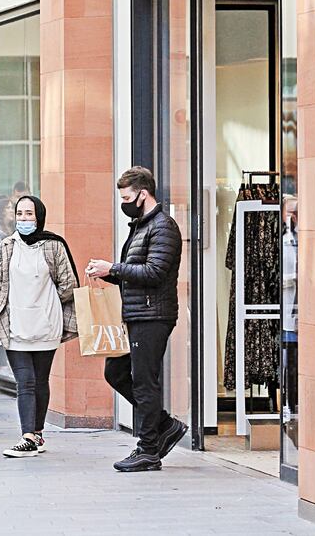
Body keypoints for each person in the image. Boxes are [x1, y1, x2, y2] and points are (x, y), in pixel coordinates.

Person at [87, 166, 185, 472]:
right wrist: (108, 272)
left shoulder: (163, 226)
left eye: (128, 197)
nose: (124, 203)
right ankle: (164, 425)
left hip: (153, 315)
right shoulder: (142, 225)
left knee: (145, 382)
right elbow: (138, 273)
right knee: (116, 372)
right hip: (138, 312)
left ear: (144, 194)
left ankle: (148, 450)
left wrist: (113, 269)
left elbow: (155, 272)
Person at [0, 195, 79, 458]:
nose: (24, 219)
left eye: (29, 214)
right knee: (24, 381)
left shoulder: (53, 245)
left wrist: (45, 302)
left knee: (40, 381)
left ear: (39, 216)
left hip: (46, 324)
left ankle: (37, 433)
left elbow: (69, 283)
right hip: (15, 324)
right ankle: (27, 436)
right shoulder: (6, 245)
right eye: (20, 214)